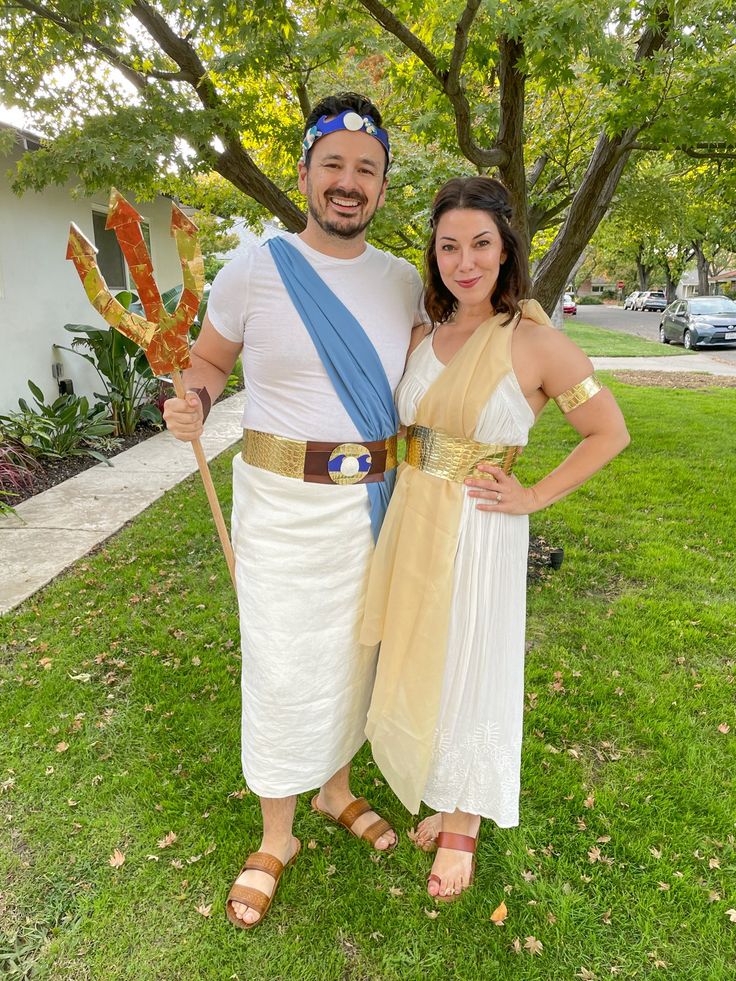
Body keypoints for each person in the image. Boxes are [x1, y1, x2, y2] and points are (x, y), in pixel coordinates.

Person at [163, 92, 424, 927]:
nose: (349, 183)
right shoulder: (255, 268)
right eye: (335, 166)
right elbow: (206, 364)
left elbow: (432, 377)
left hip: (368, 506)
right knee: (279, 663)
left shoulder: (403, 281)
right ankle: (277, 831)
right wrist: (193, 402)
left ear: (382, 186)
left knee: (356, 654)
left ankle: (335, 789)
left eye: (367, 170)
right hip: (277, 504)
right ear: (306, 173)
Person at [361, 176, 630, 901]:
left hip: (481, 528)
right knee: (424, 658)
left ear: (507, 250)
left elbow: (610, 432)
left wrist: (535, 493)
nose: (464, 260)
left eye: (480, 243)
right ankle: (442, 789)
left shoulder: (538, 343)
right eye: (449, 246)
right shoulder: (424, 333)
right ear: (435, 257)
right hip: (414, 517)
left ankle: (465, 818)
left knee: (471, 664)